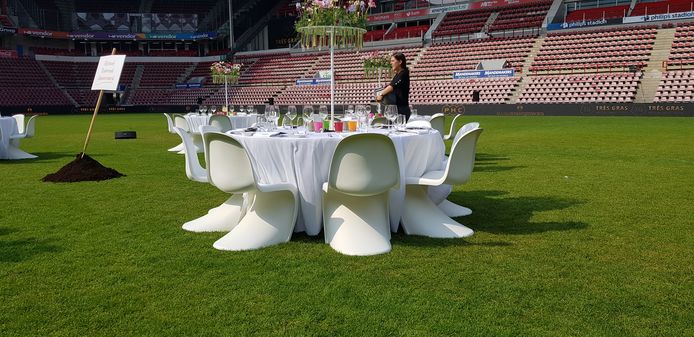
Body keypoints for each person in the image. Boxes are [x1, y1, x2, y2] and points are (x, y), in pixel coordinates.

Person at [375, 52, 410, 120]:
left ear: (400, 62)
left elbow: (392, 86)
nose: (391, 63)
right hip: (396, 108)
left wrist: (381, 94)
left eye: (393, 61)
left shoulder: (403, 73)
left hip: (402, 109)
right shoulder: (398, 74)